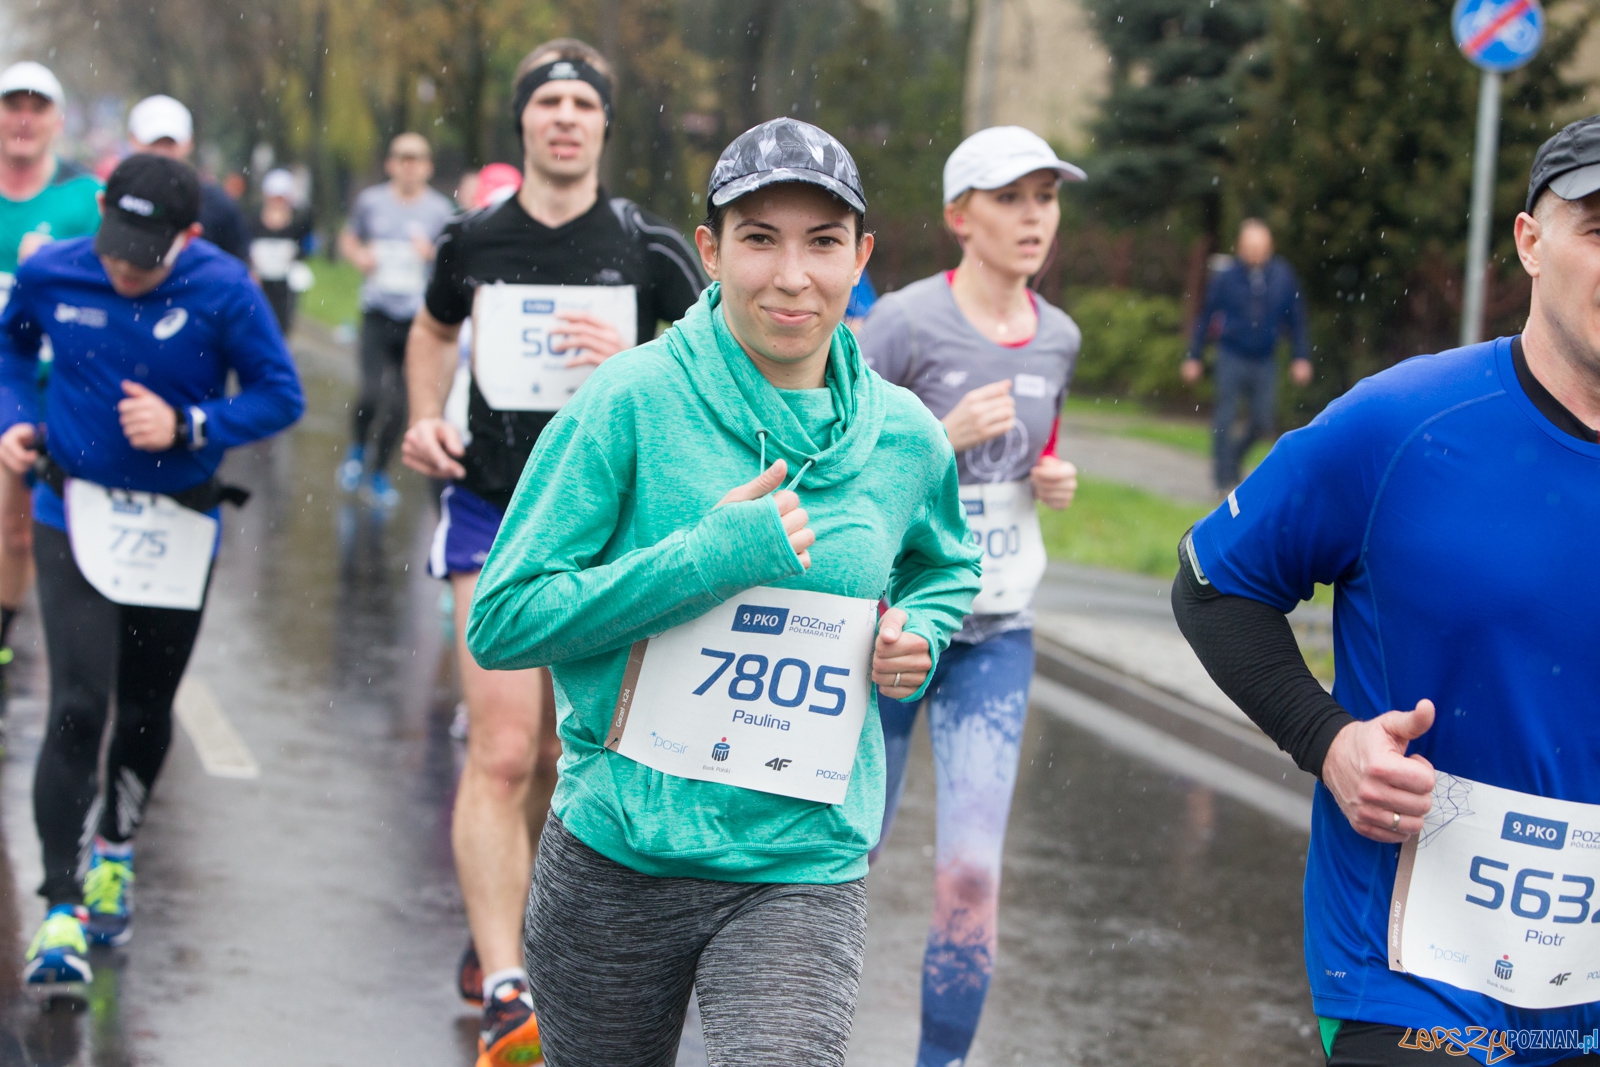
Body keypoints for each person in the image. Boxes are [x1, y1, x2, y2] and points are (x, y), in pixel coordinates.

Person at [466, 114, 980, 1067]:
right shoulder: (630, 400)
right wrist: (704, 559)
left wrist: (922, 628)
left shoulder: (907, 437)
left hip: (802, 860)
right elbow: (503, 618)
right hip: (620, 851)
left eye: (823, 242)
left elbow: (946, 564)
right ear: (709, 250)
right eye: (759, 239)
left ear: (861, 256)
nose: (793, 276)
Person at [1172, 113, 1600, 1067]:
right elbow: (1212, 585)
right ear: (1531, 241)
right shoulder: (1403, 425)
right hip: (1408, 980)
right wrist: (1330, 742)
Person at [400, 37, 704, 1067]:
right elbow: (432, 331)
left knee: (555, 754)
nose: (565, 117)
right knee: (498, 747)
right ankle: (508, 986)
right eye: (548, 101)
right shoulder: (473, 239)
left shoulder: (649, 249)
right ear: (524, 120)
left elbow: (719, 367)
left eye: (582, 102)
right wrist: (424, 416)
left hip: (606, 530)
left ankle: (507, 911)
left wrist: (644, 359)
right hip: (492, 510)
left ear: (604, 124)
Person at [0, 155, 303, 984]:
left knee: (144, 706)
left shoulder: (225, 289)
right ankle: (60, 906)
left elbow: (280, 394)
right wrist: (16, 419)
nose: (124, 270)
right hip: (73, 507)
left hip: (177, 522)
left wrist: (191, 424)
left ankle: (115, 848)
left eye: (145, 256)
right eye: (115, 247)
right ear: (100, 208)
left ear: (190, 235)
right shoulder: (53, 270)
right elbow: (11, 350)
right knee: (77, 704)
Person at [856, 124, 1082, 1067]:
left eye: (1047, 197)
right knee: (843, 851)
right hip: (888, 629)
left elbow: (1037, 445)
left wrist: (1053, 476)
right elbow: (838, 462)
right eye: (1011, 198)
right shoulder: (903, 323)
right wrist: (938, 438)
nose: (1035, 218)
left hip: (994, 633)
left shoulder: (1059, 335)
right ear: (960, 216)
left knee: (972, 875)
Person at [0, 61, 101, 739]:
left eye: (38, 107)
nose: (24, 118)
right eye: (13, 104)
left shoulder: (83, 201)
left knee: (15, 531)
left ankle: (3, 642)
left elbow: (123, 276)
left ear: (57, 120)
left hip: (33, 393)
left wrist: (58, 261)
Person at [334, 133, 455, 507]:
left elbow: (451, 259)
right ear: (391, 164)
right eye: (403, 158)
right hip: (377, 312)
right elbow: (348, 238)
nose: (409, 166)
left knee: (401, 404)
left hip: (417, 322)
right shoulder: (372, 201)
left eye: (416, 159)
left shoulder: (439, 210)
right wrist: (359, 256)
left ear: (428, 167)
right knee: (370, 393)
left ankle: (379, 472)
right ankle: (357, 449)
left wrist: (431, 255)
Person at [1181, 218, 1312, 492]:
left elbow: (1297, 318)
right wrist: (1194, 356)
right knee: (1225, 417)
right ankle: (1222, 479)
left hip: (1265, 358)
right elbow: (1206, 316)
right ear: (1240, 247)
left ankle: (1233, 459)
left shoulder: (1283, 275)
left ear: (1270, 247)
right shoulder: (1226, 277)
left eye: (1259, 247)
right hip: (1231, 354)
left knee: (1263, 420)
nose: (1254, 253)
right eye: (1249, 247)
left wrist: (1300, 356)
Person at [126, 94, 250, 262]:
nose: (161, 153)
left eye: (169, 144)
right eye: (154, 143)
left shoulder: (218, 205)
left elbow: (240, 265)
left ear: (189, 142)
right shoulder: (115, 197)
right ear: (132, 140)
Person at [248, 168, 313, 336]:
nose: (278, 202)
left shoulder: (298, 224)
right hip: (258, 284)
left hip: (284, 287)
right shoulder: (252, 221)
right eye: (274, 197)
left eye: (282, 197)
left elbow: (306, 250)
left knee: (280, 327)